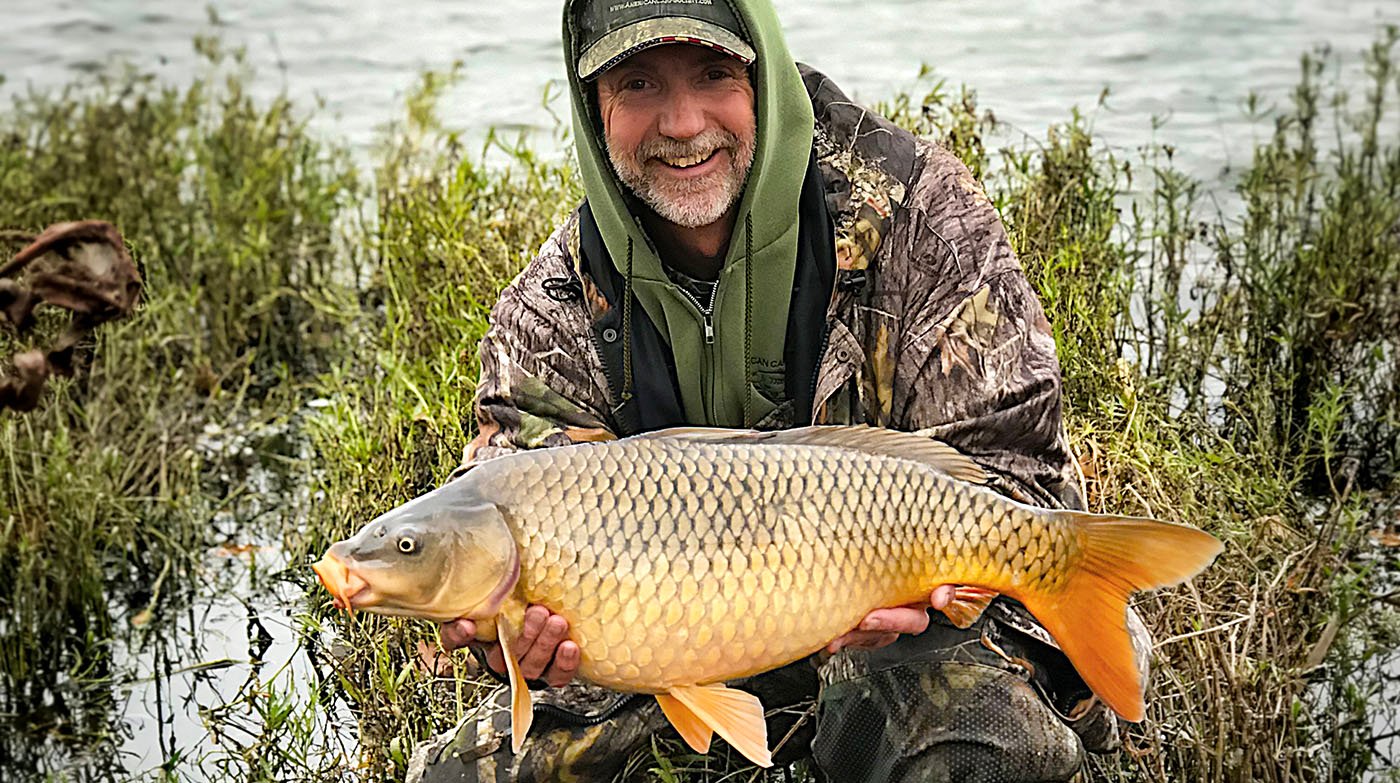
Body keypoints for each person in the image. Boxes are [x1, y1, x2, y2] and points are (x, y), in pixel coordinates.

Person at [409, 0, 1144, 780]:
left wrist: (927, 591)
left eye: (714, 73)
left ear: (762, 71)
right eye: (638, 84)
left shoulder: (918, 211)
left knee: (981, 744)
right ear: (595, 109)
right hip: (674, 653)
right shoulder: (552, 304)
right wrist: (518, 651)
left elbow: (1016, 471)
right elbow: (509, 520)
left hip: (909, 642)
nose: (684, 122)